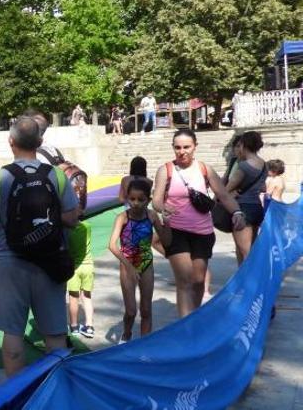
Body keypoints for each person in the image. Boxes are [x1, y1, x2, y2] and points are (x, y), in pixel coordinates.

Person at [0, 116, 80, 376]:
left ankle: (17, 395)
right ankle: (55, 392)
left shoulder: (0, 177)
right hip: (50, 258)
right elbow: (71, 217)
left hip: (11, 261)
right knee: (55, 334)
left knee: (13, 333)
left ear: (11, 141)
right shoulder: (56, 175)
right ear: (40, 142)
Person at [152, 129, 245, 318]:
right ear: (173, 148)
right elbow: (156, 200)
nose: (182, 151)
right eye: (177, 147)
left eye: (186, 147)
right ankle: (186, 326)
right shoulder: (165, 170)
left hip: (202, 232)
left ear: (195, 147)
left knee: (198, 280)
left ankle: (193, 317)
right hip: (176, 230)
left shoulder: (205, 169)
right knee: (184, 280)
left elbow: (223, 195)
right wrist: (163, 208)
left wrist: (236, 212)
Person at [108, 180, 168, 343]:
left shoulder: (151, 216)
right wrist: (129, 268)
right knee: (131, 311)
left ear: (148, 200)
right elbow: (112, 245)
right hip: (128, 265)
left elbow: (166, 240)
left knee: (146, 310)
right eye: (132, 199)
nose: (135, 203)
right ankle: (126, 335)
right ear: (127, 198)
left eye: (140, 199)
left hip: (146, 263)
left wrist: (167, 223)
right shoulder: (123, 218)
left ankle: (144, 346)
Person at [224, 132, 267, 264]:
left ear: (243, 145)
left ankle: (250, 281)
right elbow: (263, 188)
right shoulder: (263, 164)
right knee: (250, 249)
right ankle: (244, 279)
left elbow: (226, 190)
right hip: (256, 207)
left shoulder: (244, 166)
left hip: (242, 208)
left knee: (245, 251)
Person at [67, 221, 94, 338]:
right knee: (87, 297)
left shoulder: (67, 230)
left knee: (73, 298)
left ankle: (74, 326)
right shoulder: (88, 226)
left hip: (74, 268)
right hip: (88, 266)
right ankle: (89, 326)